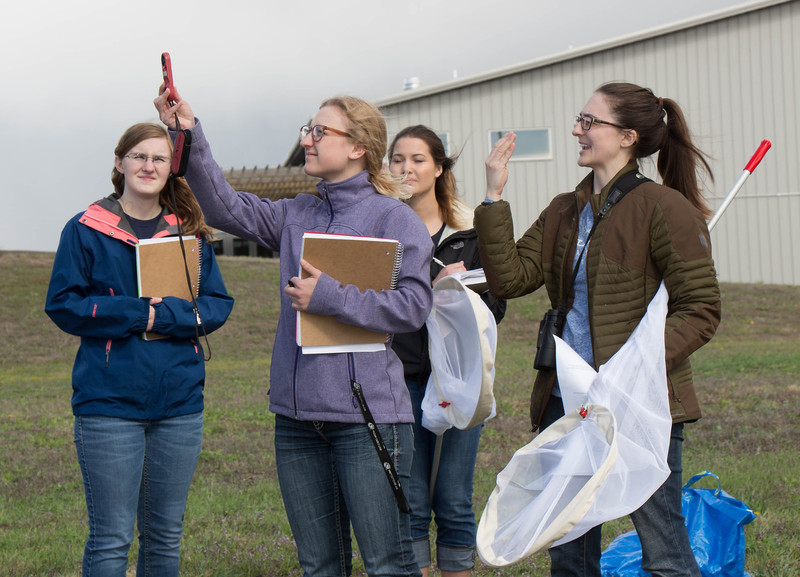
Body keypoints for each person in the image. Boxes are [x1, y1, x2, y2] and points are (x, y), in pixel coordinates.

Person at [154, 87, 433, 576]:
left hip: (367, 422)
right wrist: (187, 131)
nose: (307, 139)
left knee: (387, 562)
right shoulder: (294, 214)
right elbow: (222, 206)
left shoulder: (394, 219)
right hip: (297, 422)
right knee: (319, 565)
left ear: (357, 147)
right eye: (309, 128)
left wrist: (329, 296)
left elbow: (412, 307)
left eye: (319, 131)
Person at [474, 82, 721, 577]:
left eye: (589, 122)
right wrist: (494, 196)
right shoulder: (566, 207)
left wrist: (636, 369)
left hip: (637, 403)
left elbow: (701, 308)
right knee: (568, 550)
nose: (576, 130)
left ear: (628, 136)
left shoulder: (661, 207)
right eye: (579, 120)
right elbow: (510, 277)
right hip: (570, 401)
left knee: (664, 549)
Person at [45, 122, 234, 576]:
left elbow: (216, 304)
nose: (149, 166)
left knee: (165, 536)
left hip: (180, 405)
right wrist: (134, 313)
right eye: (139, 156)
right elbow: (64, 304)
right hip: (108, 405)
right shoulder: (86, 228)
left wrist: (162, 318)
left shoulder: (188, 231)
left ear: (172, 168)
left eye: (160, 158)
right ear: (119, 162)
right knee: (111, 539)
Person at [388, 125, 506, 577]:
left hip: (461, 376)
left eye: (417, 159)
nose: (405, 168)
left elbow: (497, 306)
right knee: (411, 499)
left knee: (454, 498)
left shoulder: (470, 233)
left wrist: (459, 290)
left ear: (438, 168)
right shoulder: (382, 230)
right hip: (398, 378)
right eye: (397, 159)